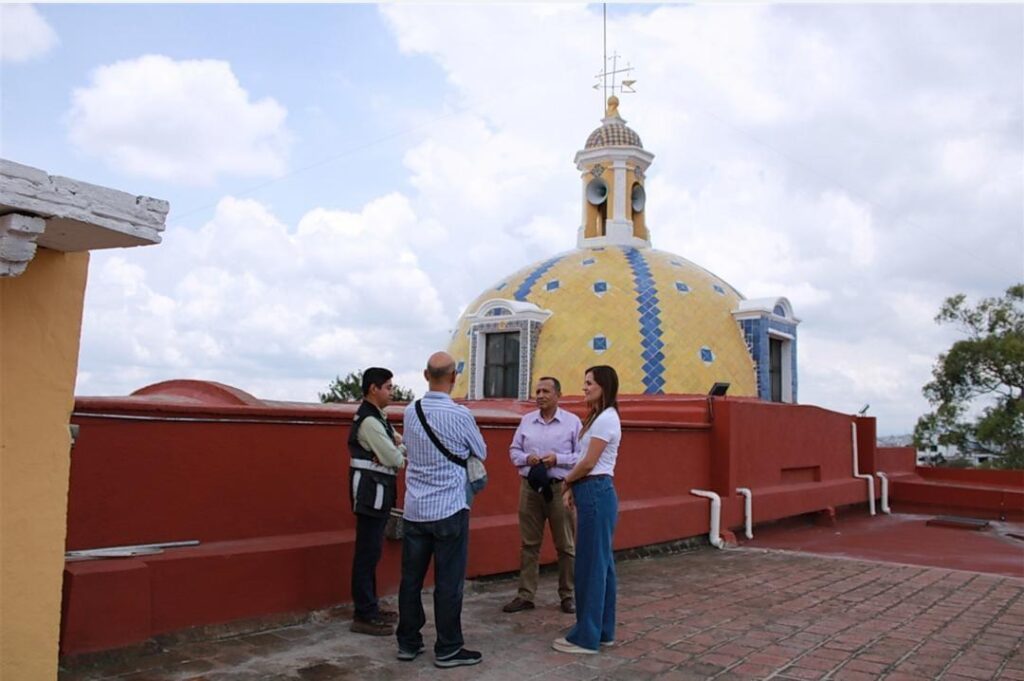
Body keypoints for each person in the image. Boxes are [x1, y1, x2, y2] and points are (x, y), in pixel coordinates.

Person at [396, 352, 487, 668]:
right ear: (454, 377)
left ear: (425, 375)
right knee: (448, 582)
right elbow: (481, 450)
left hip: (415, 509)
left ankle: (408, 642)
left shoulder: (410, 412)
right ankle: (448, 647)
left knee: (411, 580)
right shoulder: (460, 415)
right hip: (449, 507)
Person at [552, 365, 621, 655]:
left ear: (603, 386)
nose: (584, 387)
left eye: (589, 383)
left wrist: (566, 481)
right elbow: (585, 459)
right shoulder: (598, 418)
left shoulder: (606, 419)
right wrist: (572, 488)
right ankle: (602, 630)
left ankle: (586, 636)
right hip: (591, 491)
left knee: (591, 565)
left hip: (595, 491)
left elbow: (589, 462)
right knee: (601, 565)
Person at [503, 376, 582, 615]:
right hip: (530, 488)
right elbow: (514, 450)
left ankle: (568, 595)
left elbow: (581, 456)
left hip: (560, 488)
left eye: (545, 391)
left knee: (566, 545)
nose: (539, 395)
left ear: (558, 394)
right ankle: (525, 595)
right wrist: (527, 458)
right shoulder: (527, 421)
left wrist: (557, 459)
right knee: (529, 544)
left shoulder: (572, 422)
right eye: (537, 391)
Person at [348, 367, 407, 636]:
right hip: (371, 493)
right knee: (367, 553)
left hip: (377, 491)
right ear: (374, 389)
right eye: (388, 387)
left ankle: (369, 606)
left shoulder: (378, 418)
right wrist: (394, 452)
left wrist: (394, 450)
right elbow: (396, 459)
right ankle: (364, 613)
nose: (391, 392)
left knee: (371, 552)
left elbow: (398, 447)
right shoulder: (371, 422)